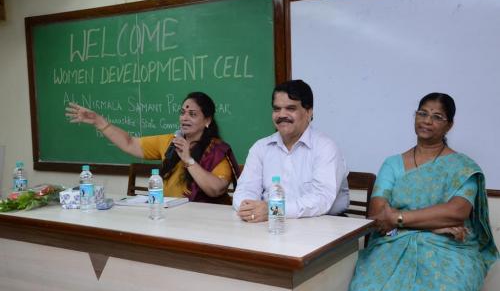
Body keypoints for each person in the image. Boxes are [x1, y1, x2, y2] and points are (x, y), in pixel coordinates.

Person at [348, 93, 498, 291]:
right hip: (393, 242)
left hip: (449, 247)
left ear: (449, 125)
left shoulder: (463, 167)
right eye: (422, 113)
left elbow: (456, 212)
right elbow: (378, 214)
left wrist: (398, 218)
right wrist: (434, 225)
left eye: (437, 117)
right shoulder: (392, 164)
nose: (427, 121)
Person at [65, 92, 240, 204]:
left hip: (202, 222)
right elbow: (129, 143)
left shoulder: (217, 151)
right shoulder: (170, 141)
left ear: (207, 120)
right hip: (167, 214)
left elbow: (216, 189)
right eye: (182, 112)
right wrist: (99, 121)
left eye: (192, 114)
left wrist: (188, 160)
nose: (184, 118)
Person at [233, 79, 349, 222]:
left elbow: (321, 200)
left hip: (322, 226)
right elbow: (245, 189)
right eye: (276, 109)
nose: (282, 115)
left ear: (308, 112)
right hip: (268, 225)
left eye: (290, 108)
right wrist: (249, 208)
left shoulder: (325, 147)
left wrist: (272, 210)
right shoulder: (261, 147)